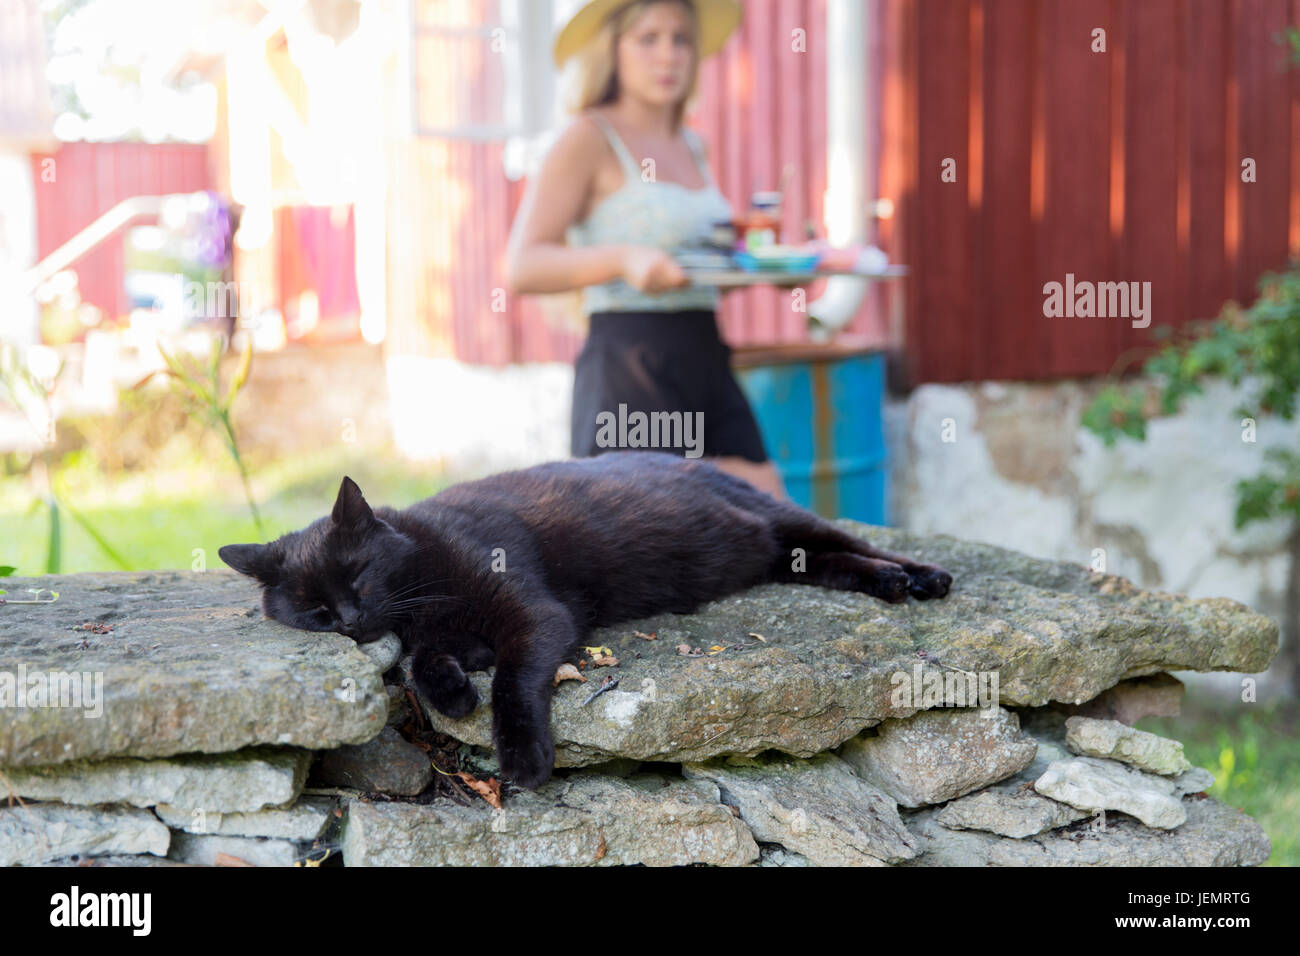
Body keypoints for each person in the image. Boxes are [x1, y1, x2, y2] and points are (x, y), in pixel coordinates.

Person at [505, 0, 786, 497]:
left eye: (680, 39)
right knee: (662, 546)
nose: (668, 55)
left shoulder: (692, 145)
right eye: (648, 38)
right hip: (629, 367)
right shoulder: (587, 138)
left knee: (772, 519)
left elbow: (693, 267)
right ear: (612, 48)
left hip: (705, 356)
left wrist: (772, 270)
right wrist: (622, 259)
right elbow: (523, 266)